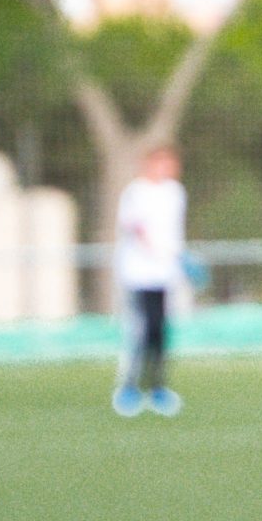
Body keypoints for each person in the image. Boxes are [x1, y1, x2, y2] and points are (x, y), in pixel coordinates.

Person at [113, 143, 187, 417]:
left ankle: (157, 386)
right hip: (138, 273)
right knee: (140, 329)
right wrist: (158, 250)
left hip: (164, 274)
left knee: (159, 330)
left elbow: (174, 232)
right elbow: (136, 228)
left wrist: (180, 258)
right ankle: (128, 386)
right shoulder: (135, 193)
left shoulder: (175, 193)